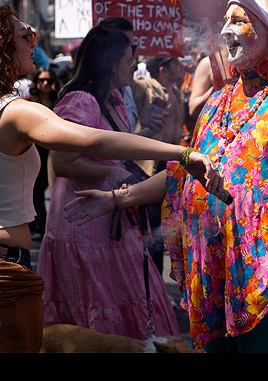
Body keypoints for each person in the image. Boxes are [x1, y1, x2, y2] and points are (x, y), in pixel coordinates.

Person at [64, 0, 268, 353]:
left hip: (264, 271)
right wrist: (116, 200)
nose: (227, 29)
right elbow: (187, 171)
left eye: (239, 20)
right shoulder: (219, 102)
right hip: (214, 267)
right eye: (225, 21)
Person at [0, 5, 221, 353]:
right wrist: (180, 153)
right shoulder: (14, 112)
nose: (34, 41)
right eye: (26, 35)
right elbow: (93, 139)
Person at [37, 24, 190, 341]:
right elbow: (62, 161)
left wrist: (144, 133)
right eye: (127, 57)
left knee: (126, 311)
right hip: (84, 231)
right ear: (109, 63)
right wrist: (116, 175)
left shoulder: (114, 101)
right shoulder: (81, 101)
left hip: (109, 223)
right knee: (94, 325)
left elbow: (113, 151)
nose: (133, 63)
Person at [26, 67, 62, 238]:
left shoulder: (60, 102)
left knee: (55, 189)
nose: (46, 84)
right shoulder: (30, 103)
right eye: (42, 80)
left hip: (55, 151)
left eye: (49, 80)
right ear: (36, 83)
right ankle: (42, 226)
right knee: (37, 190)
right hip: (35, 150)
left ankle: (47, 225)